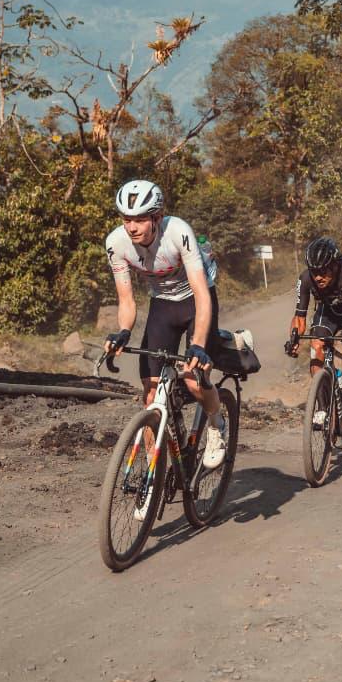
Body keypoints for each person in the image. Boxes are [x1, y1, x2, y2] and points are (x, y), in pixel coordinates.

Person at [102, 179, 227, 469]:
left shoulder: (178, 232)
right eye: (126, 219)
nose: (131, 227)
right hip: (162, 305)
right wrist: (123, 331)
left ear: (157, 217)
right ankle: (154, 470)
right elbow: (127, 300)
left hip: (196, 300)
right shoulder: (115, 243)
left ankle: (215, 424)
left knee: (195, 381)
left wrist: (197, 345)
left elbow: (201, 291)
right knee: (150, 392)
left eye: (140, 219)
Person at [285, 236, 342, 438]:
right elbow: (299, 317)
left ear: (335, 266)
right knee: (316, 346)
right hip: (328, 312)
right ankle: (322, 406)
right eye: (314, 271)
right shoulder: (306, 278)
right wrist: (294, 340)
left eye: (323, 271)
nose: (318, 277)